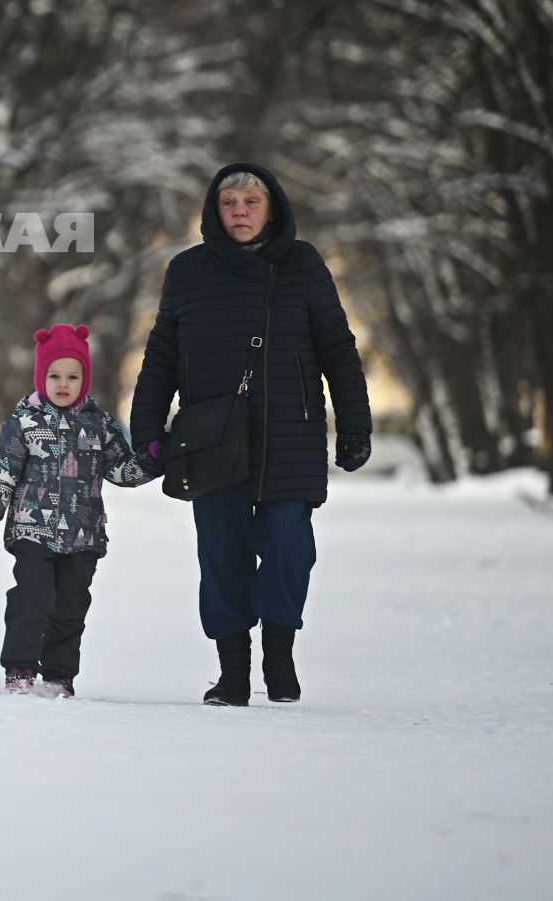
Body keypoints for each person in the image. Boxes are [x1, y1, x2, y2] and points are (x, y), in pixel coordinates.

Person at [130, 162, 372, 706]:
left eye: (251, 202)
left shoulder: (303, 265)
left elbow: (338, 346)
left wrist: (355, 423)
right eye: (229, 203)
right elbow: (161, 355)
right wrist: (146, 430)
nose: (240, 211)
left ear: (272, 208)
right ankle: (233, 671)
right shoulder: (187, 271)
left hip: (292, 434)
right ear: (214, 212)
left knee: (290, 547)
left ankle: (279, 655)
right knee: (221, 554)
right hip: (212, 441)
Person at [0, 323, 160, 697]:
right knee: (32, 600)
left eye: (72, 376)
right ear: (42, 376)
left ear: (84, 379)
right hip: (32, 530)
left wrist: (154, 459)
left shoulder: (99, 423)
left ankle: (60, 675)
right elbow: (2, 470)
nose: (63, 384)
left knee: (71, 608)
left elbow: (120, 471)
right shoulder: (25, 421)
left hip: (82, 533)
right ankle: (20, 668)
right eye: (54, 375)